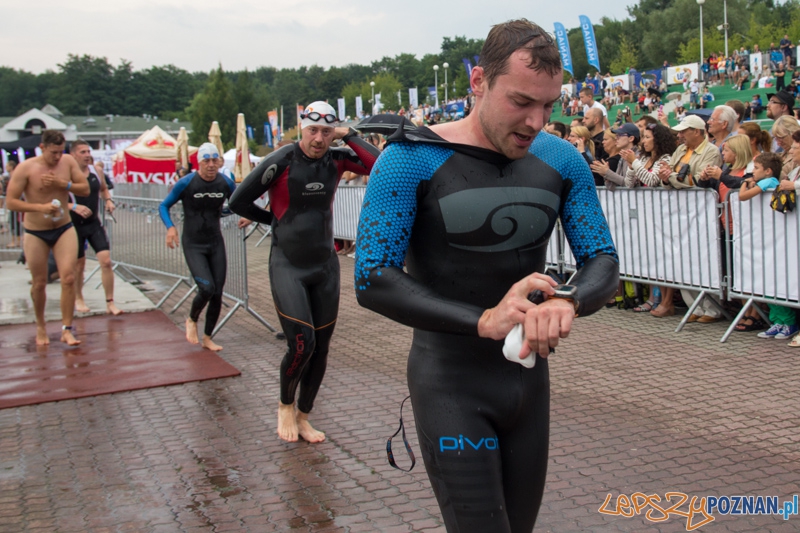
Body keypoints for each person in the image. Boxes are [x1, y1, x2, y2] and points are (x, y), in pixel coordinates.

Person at [353, 19, 619, 532]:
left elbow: (602, 260)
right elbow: (372, 277)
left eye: (549, 105)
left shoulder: (562, 160)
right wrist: (484, 320)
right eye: (521, 102)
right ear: (479, 81)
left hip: (525, 382)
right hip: (449, 384)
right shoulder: (410, 159)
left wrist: (568, 299)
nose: (537, 120)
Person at [229, 101, 380, 444]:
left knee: (322, 347)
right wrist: (275, 222)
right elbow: (238, 200)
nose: (318, 139)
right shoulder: (281, 160)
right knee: (302, 344)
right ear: (302, 127)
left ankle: (304, 415)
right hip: (288, 265)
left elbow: (380, 165)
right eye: (313, 130)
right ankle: (285, 405)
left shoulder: (338, 157)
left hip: (324, 265)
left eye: (326, 132)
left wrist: (351, 135)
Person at [159, 143, 251, 352]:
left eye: (214, 160)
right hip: (193, 244)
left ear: (219, 161)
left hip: (215, 242)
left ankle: (208, 337)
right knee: (207, 288)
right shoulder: (186, 183)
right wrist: (170, 228)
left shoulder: (225, 183)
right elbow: (163, 205)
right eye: (206, 161)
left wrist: (247, 215)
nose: (211, 165)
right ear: (199, 162)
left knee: (217, 293)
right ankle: (192, 319)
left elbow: (237, 203)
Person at [4, 130, 90, 346]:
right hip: (36, 231)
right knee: (39, 283)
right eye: (53, 153)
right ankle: (41, 326)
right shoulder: (26, 168)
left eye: (61, 152)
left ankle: (67, 329)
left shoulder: (68, 162)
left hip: (63, 226)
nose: (58, 157)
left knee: (68, 277)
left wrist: (64, 184)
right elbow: (11, 202)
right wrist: (39, 207)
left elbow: (85, 189)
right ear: (42, 148)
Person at [67, 140, 122, 315]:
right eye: (82, 152)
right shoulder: (67, 175)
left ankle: (110, 302)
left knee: (106, 261)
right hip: (74, 225)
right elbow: (56, 200)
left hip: (93, 222)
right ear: (73, 155)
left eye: (88, 151)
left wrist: (108, 200)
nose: (87, 155)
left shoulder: (96, 171)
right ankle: (78, 298)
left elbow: (104, 189)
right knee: (79, 265)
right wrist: (73, 207)